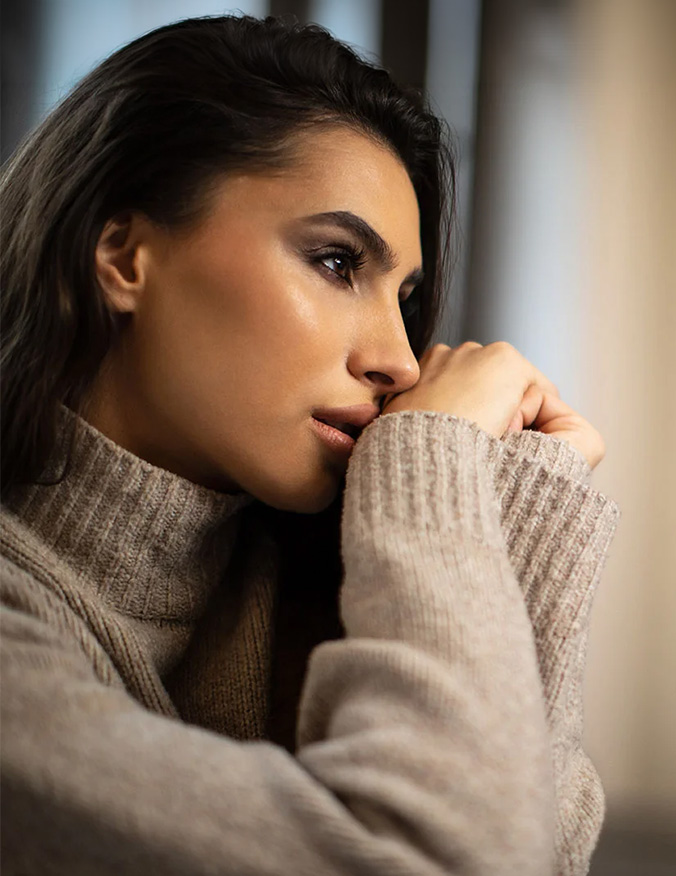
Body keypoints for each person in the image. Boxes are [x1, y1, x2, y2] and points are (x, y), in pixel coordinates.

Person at [0, 13, 621, 876]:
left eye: (406, 301)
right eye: (336, 262)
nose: (400, 361)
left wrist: (533, 512)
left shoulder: (336, 581)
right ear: (124, 253)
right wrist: (433, 456)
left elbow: (522, 854)